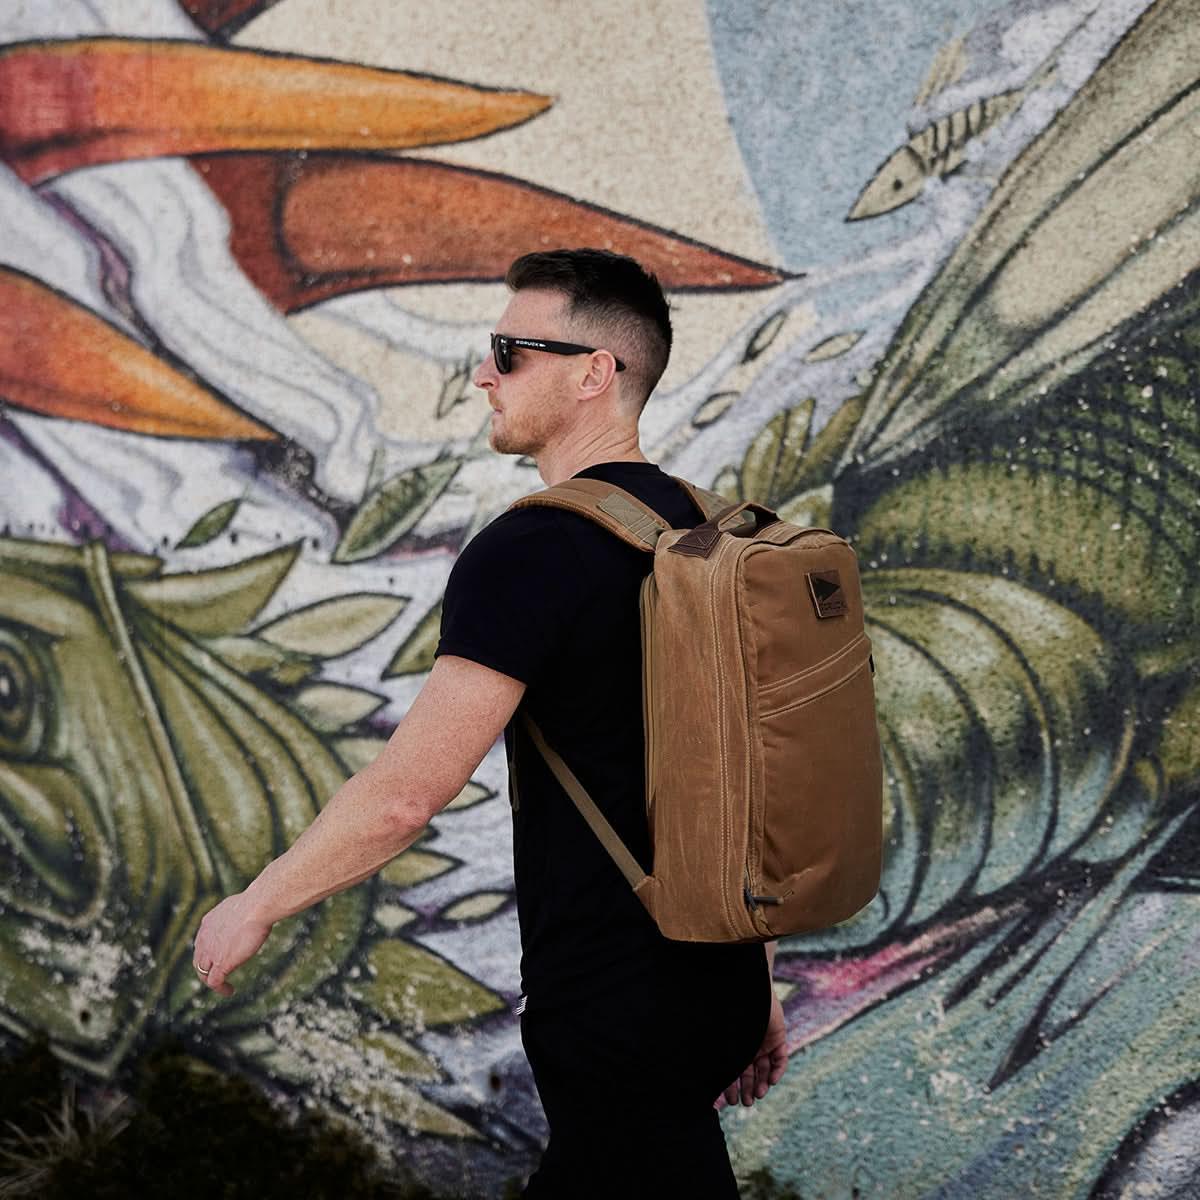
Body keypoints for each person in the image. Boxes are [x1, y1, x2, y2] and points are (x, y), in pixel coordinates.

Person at [192, 248, 788, 1197]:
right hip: (716, 982)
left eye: (509, 351)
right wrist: (755, 982)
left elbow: (405, 797)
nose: (482, 373)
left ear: (595, 373)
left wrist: (256, 903)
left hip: (613, 997)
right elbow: (749, 777)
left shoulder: (532, 550)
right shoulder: (713, 534)